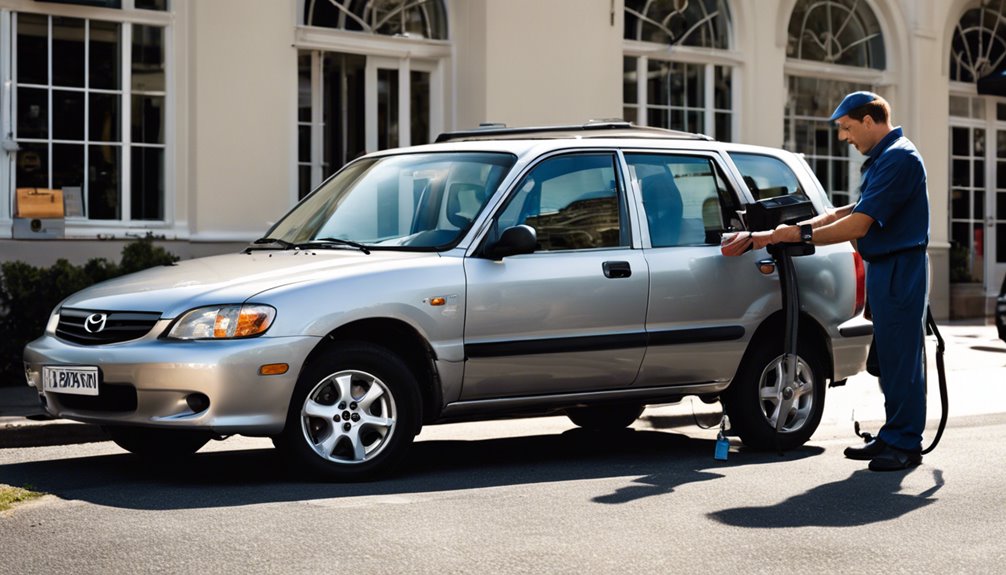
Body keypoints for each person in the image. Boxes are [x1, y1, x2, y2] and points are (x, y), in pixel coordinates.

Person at [722, 91, 930, 472]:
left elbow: (858, 224)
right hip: (888, 268)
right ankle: (894, 433)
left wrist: (796, 236)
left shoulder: (900, 157)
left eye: (847, 128)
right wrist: (787, 230)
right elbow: (846, 211)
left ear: (869, 121)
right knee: (888, 359)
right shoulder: (886, 158)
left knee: (901, 360)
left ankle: (904, 442)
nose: (844, 138)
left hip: (900, 269)